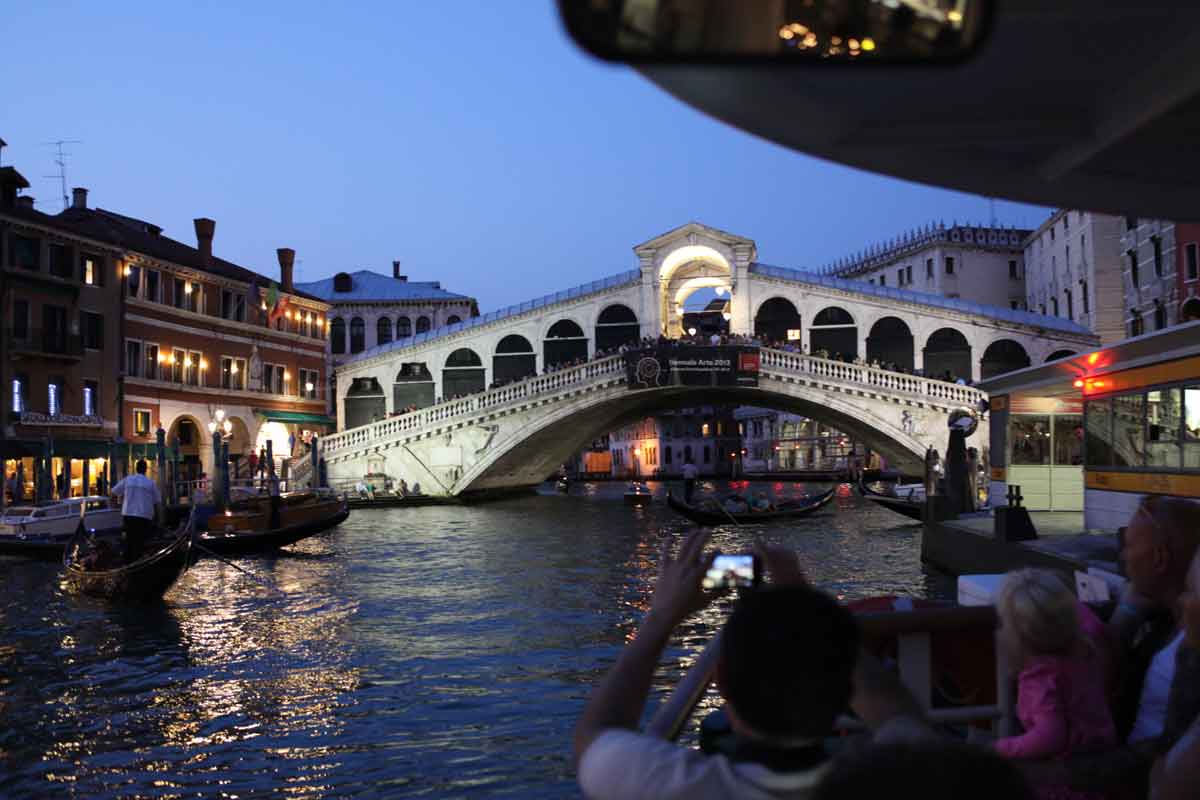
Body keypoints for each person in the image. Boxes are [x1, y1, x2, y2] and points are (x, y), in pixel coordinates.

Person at [574, 532, 933, 800]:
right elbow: (895, 709)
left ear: (722, 684)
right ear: (843, 692)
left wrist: (661, 617)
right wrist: (804, 599)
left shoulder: (670, 785)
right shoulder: (908, 778)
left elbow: (595, 734)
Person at [991, 569, 1116, 800]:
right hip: (1099, 772)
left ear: (1015, 636)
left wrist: (1000, 748)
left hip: (1065, 784)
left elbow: (1050, 736)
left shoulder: (1040, 678)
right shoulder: (1085, 653)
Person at [110, 459, 161, 563]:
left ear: (136, 469)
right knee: (141, 540)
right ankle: (138, 560)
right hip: (144, 515)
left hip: (128, 514)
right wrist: (158, 518)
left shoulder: (128, 480)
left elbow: (113, 492)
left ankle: (128, 561)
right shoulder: (151, 483)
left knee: (129, 539)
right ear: (145, 470)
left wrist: (116, 506)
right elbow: (157, 502)